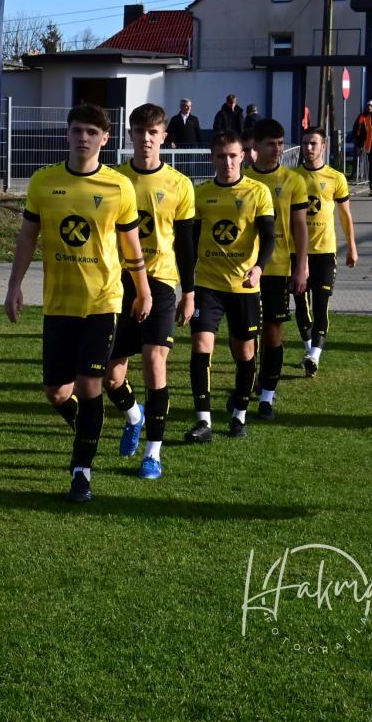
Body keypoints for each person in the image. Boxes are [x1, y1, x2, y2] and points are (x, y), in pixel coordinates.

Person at [6, 104, 152, 501]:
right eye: (76, 130)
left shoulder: (118, 187)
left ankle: (81, 473)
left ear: (105, 138)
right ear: (67, 134)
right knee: (57, 392)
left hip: (102, 301)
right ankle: (92, 428)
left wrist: (143, 289)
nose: (83, 137)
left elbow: (131, 245)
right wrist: (14, 285)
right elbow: (27, 238)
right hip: (58, 304)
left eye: (91, 131)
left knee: (90, 385)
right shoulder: (44, 182)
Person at [106, 104, 195, 480]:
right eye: (140, 132)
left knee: (154, 362)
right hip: (119, 283)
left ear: (164, 137)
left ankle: (153, 453)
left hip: (160, 282)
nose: (146, 139)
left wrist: (189, 292)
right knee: (111, 376)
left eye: (153, 132)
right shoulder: (114, 179)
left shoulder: (180, 184)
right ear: (130, 135)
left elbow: (186, 244)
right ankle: (134, 416)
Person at [184, 130, 275, 443]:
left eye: (233, 156)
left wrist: (259, 268)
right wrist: (186, 284)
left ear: (243, 156)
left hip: (243, 286)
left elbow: (269, 237)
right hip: (207, 284)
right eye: (221, 156)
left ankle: (239, 414)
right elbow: (190, 242)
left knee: (245, 351)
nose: (228, 162)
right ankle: (203, 421)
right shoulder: (201, 193)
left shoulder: (258, 192)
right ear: (212, 158)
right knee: (201, 346)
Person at [244, 118, 309, 420]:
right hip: (244, 270)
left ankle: (267, 396)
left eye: (281, 143)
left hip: (278, 268)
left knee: (272, 331)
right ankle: (246, 384)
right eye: (270, 143)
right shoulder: (243, 180)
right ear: (255, 146)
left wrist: (302, 266)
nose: (277, 149)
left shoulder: (293, 181)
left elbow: (300, 226)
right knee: (244, 336)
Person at [293, 127, 358, 377]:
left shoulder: (336, 178)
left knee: (321, 304)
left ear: (324, 146)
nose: (308, 148)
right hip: (297, 253)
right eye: (305, 143)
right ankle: (308, 350)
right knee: (301, 305)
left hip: (325, 253)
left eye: (313, 143)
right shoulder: (293, 177)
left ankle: (315, 356)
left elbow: (345, 215)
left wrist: (351, 247)